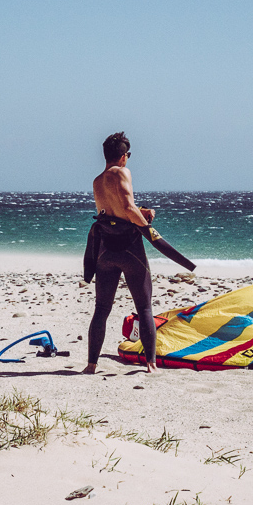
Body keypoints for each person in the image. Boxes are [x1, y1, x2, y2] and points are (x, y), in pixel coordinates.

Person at [82, 132, 159, 374]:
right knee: (144, 307)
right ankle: (151, 364)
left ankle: (91, 364)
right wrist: (149, 229)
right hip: (129, 249)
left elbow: (113, 211)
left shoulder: (97, 181)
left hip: (106, 251)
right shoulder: (122, 172)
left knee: (101, 309)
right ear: (124, 156)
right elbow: (126, 207)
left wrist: (141, 210)